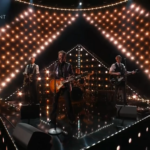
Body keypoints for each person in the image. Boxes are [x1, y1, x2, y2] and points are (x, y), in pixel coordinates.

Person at [49, 50, 75, 125]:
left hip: (65, 85)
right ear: (58, 56)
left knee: (68, 103)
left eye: (62, 56)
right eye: (60, 55)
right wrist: (52, 76)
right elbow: (54, 74)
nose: (61, 57)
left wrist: (69, 77)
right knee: (54, 103)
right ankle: (52, 119)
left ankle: (71, 119)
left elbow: (72, 74)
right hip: (57, 85)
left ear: (65, 57)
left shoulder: (68, 65)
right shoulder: (56, 65)